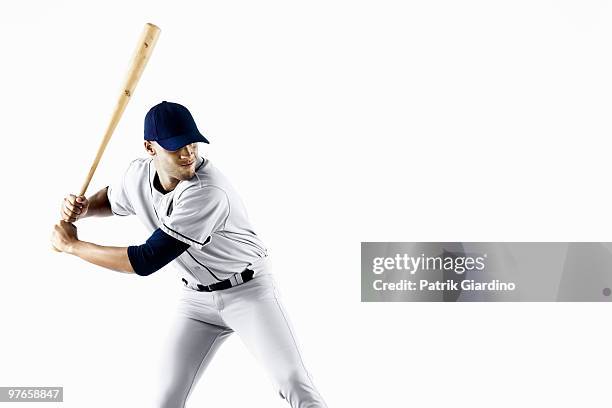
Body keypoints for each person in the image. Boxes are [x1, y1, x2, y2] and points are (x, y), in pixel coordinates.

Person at [51, 101, 328, 408]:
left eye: (191, 143)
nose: (188, 154)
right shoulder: (137, 174)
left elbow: (146, 261)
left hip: (249, 294)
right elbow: (115, 198)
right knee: (165, 400)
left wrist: (73, 247)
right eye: (175, 148)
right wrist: (87, 207)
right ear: (150, 148)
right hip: (196, 302)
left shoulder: (207, 191)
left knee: (294, 384)